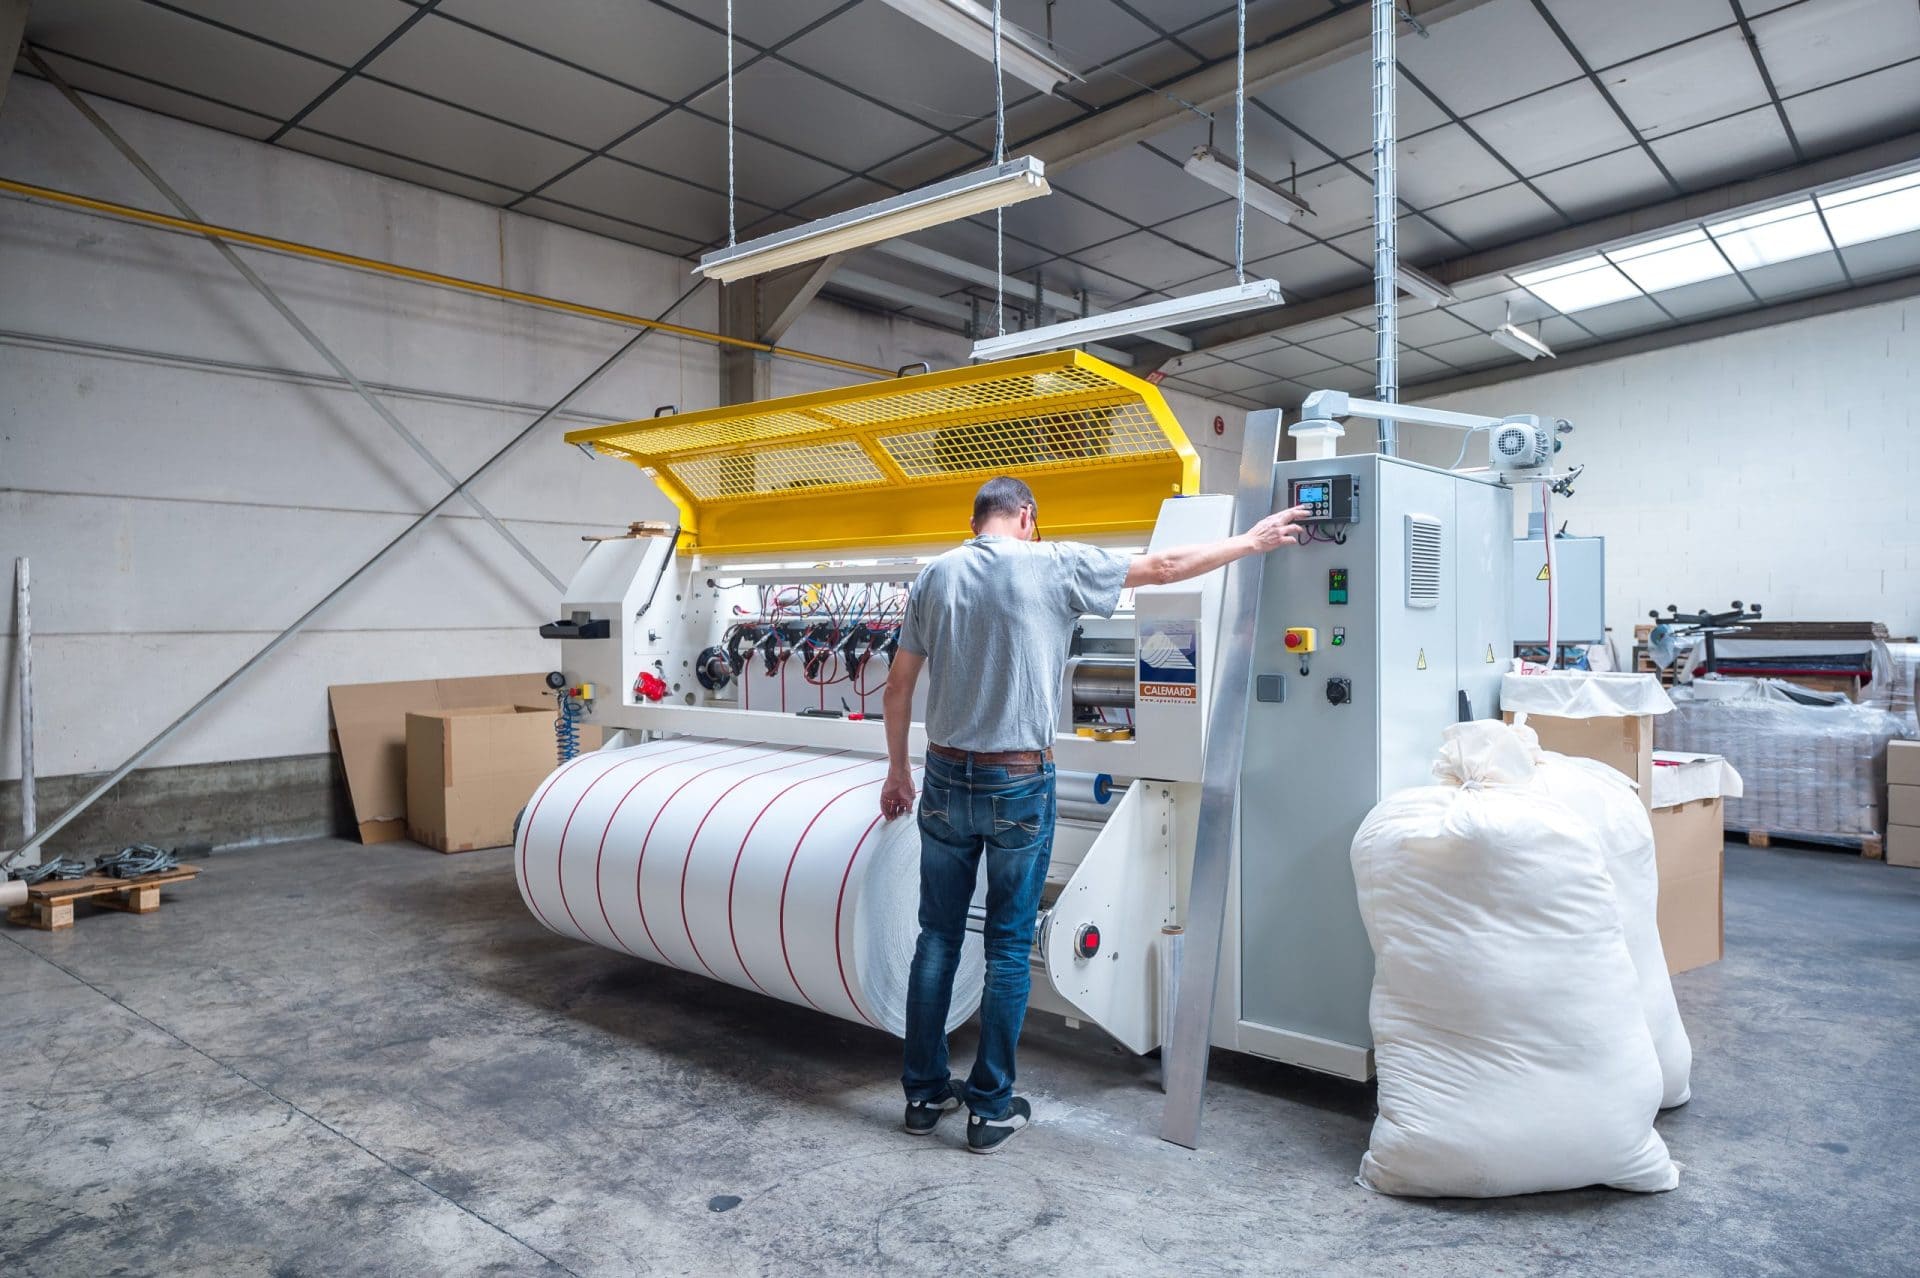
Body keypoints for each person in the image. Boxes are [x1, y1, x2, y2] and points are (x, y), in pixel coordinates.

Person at [879, 475, 1311, 1153]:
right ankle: (990, 1107)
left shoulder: (934, 575)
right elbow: (1165, 567)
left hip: (941, 778)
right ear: (1027, 516)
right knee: (1007, 946)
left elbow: (898, 684)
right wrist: (1252, 542)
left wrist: (898, 771)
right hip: (1017, 780)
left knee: (937, 937)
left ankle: (923, 1094)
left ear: (977, 519)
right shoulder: (1055, 563)